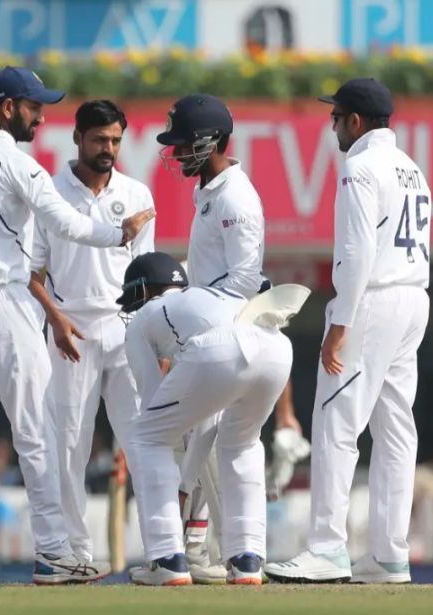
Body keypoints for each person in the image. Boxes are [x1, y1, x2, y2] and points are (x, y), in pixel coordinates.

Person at [0, 66, 154, 586]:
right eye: (33, 105)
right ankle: (53, 553)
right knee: (38, 429)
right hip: (2, 301)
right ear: (6, 107)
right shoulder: (19, 164)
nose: (42, 115)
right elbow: (64, 222)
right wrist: (120, 234)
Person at [266, 78, 431, 585]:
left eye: (335, 117)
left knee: (337, 422)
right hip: (413, 298)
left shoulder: (359, 168)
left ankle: (328, 548)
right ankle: (388, 554)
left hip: (374, 299)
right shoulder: (412, 169)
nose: (332, 125)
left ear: (355, 122)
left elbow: (356, 254)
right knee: (396, 429)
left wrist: (340, 325)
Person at [118, 252, 296, 585]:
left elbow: (157, 419)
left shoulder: (144, 318)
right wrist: (185, 482)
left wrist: (182, 487)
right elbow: (204, 426)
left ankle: (166, 558)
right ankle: (247, 560)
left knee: (146, 438)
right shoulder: (206, 296)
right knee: (242, 442)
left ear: (142, 292)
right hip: (276, 347)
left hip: (221, 348)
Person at [27, 99, 155, 564]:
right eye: (100, 139)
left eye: (116, 140)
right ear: (77, 138)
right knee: (69, 447)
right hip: (70, 329)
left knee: (144, 441)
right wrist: (55, 318)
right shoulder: (48, 191)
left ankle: (161, 551)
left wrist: (153, 336)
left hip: (125, 329)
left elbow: (149, 277)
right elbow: (28, 272)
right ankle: (74, 555)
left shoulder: (138, 193)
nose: (109, 148)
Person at [156, 93, 272, 583]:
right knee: (206, 441)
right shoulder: (209, 189)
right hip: (212, 332)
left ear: (214, 142)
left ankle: (219, 553)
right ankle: (220, 554)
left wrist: (190, 316)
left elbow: (245, 280)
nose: (177, 154)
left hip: (230, 334)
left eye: (186, 145)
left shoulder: (235, 198)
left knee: (216, 442)